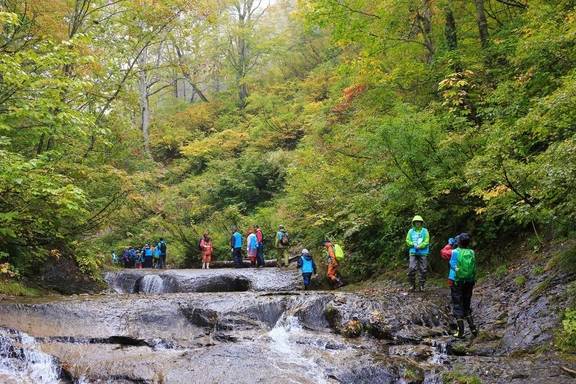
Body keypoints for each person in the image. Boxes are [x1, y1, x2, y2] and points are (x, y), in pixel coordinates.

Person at [449, 233, 478, 338]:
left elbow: (452, 265)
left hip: (457, 281)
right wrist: (473, 278)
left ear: (459, 242)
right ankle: (473, 329)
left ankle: (460, 331)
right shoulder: (472, 252)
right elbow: (474, 267)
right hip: (470, 281)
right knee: (467, 304)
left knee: (457, 304)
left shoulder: (455, 252)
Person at [406, 215, 430, 291]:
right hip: (413, 252)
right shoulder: (410, 231)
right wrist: (413, 244)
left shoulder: (425, 231)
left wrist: (421, 246)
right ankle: (412, 285)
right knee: (411, 268)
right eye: (416, 222)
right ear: (413, 223)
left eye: (419, 222)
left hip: (423, 252)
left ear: (421, 223)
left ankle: (422, 285)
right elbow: (407, 240)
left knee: (423, 269)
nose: (417, 223)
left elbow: (427, 241)